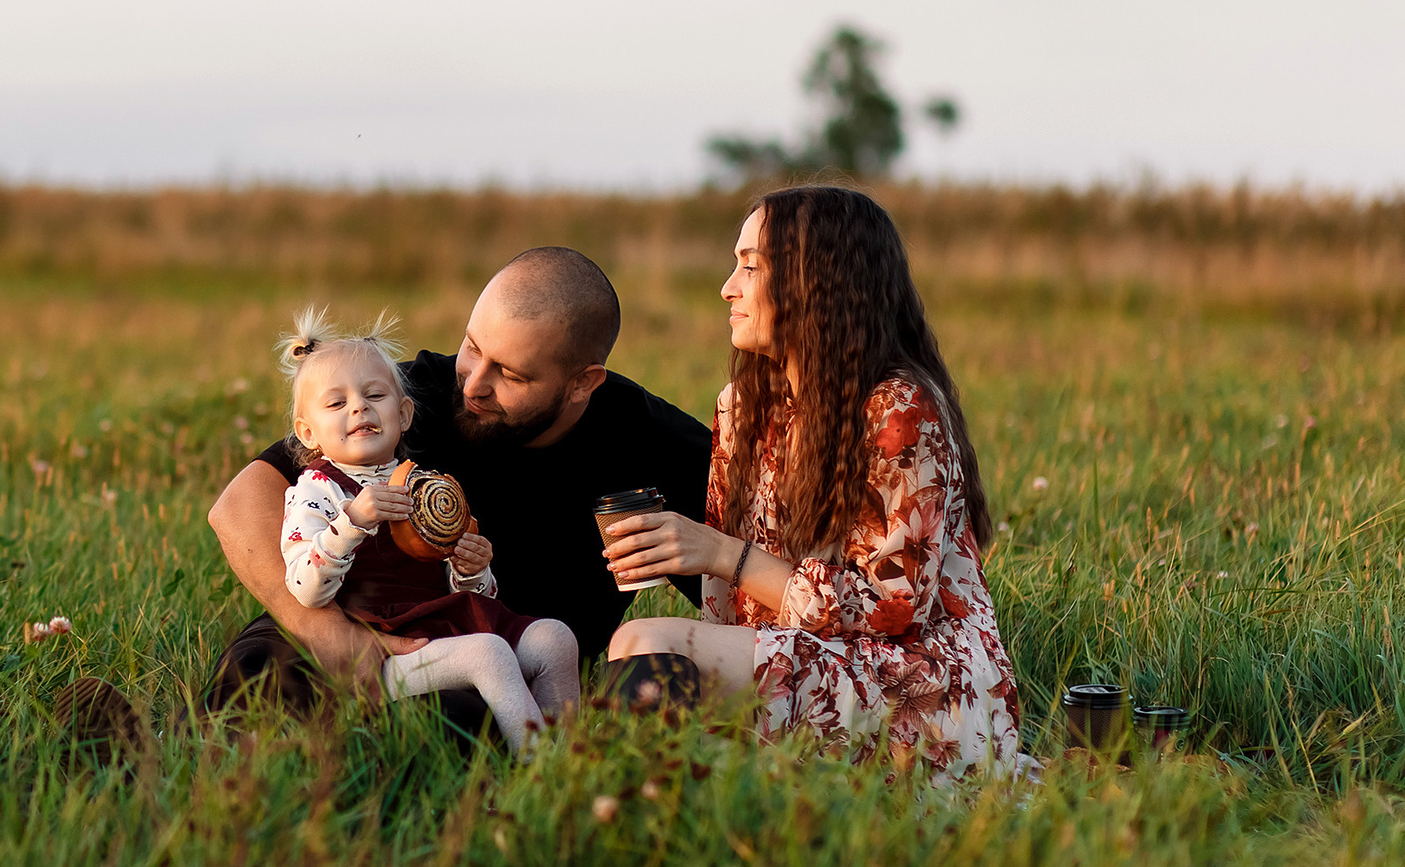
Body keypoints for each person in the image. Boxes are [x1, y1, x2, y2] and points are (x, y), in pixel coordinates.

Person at [598, 185, 1025, 779]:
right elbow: (729, 613)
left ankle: (652, 813)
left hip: (917, 682)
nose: (729, 287)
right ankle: (663, 810)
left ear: (816, 281)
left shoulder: (899, 409)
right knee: (636, 646)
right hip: (802, 657)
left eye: (750, 266)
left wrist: (718, 552)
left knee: (651, 646)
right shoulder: (742, 410)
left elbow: (893, 605)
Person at [202, 247, 711, 721]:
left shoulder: (657, 446)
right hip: (355, 624)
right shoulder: (400, 399)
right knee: (261, 673)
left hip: (502, 661)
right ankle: (148, 755)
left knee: (450, 723)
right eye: (472, 347)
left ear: (583, 382)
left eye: (510, 374)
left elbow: (751, 594)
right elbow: (239, 503)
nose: (472, 384)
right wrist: (330, 633)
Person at [273, 307, 575, 751]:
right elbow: (305, 588)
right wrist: (352, 523)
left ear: (404, 414)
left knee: (555, 640)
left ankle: (573, 757)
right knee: (488, 654)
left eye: (374, 396)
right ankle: (543, 771)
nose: (359, 407)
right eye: (337, 403)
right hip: (384, 646)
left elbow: (473, 594)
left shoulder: (425, 485)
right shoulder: (316, 491)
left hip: (445, 622)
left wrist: (472, 569)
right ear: (307, 432)